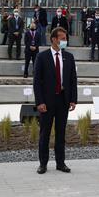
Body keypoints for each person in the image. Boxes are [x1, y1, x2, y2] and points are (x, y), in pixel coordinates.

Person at [33, 27, 77, 175]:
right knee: (45, 133)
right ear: (54, 39)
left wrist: (73, 100)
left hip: (63, 101)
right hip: (47, 101)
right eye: (62, 38)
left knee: (61, 133)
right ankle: (43, 164)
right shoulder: (42, 57)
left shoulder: (69, 57)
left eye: (65, 38)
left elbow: (73, 80)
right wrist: (40, 102)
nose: (64, 41)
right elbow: (37, 82)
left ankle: (60, 163)